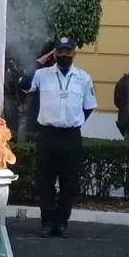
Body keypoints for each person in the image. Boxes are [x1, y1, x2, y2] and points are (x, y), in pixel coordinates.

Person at [19, 37, 97, 238]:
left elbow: (88, 107)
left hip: (71, 135)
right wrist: (40, 61)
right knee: (45, 182)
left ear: (74, 54)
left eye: (67, 51)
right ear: (54, 53)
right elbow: (24, 84)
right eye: (60, 51)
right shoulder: (42, 74)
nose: (64, 55)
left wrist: (73, 120)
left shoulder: (83, 77)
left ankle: (62, 223)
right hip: (48, 134)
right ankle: (47, 223)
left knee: (69, 183)